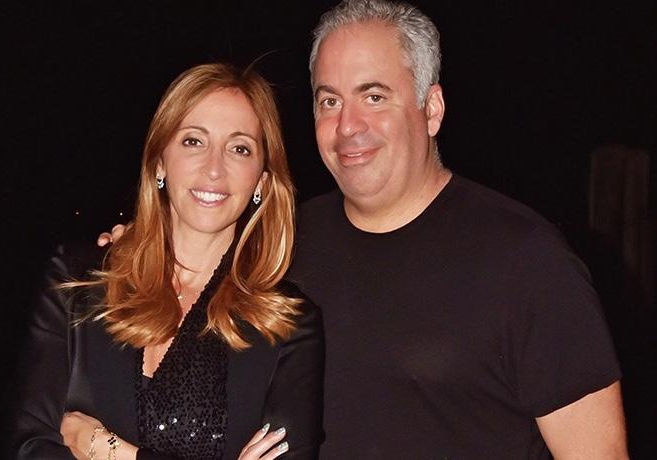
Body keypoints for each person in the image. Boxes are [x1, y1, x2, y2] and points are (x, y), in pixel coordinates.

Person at [100, 1, 628, 458]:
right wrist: (132, 249)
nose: (348, 126)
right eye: (329, 101)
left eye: (374, 96)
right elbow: (185, 267)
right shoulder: (279, 244)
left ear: (431, 109)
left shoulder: (527, 261)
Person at [12, 63, 324, 460]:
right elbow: (28, 448)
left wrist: (107, 448)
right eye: (194, 141)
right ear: (160, 161)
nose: (214, 168)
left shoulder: (289, 324)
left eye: (239, 148)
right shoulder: (78, 281)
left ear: (262, 180)